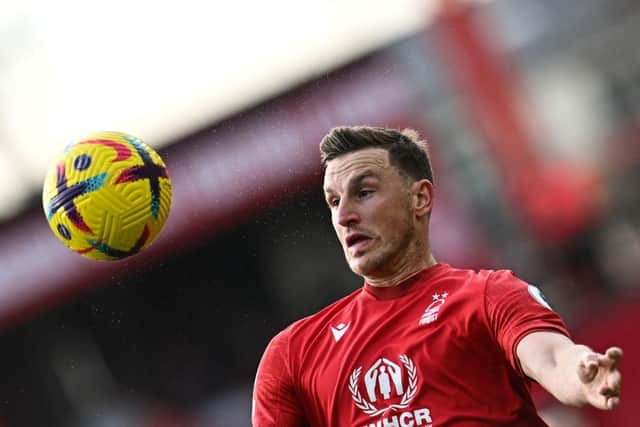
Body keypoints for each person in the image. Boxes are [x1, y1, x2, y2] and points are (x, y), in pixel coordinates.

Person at [252, 126, 623, 426]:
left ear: (420, 199)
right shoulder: (292, 356)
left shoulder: (488, 295)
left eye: (363, 193)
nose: (344, 215)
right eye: (334, 201)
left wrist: (581, 373)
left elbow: (553, 357)